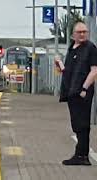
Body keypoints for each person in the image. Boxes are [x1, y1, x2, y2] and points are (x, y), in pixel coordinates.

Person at [57, 21, 97, 166]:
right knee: (76, 124)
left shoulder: (90, 48)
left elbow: (94, 70)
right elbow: (68, 71)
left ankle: (82, 155)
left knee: (82, 124)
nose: (82, 34)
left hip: (82, 92)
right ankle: (80, 154)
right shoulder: (72, 48)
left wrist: (84, 89)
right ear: (73, 34)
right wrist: (60, 64)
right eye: (79, 32)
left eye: (84, 32)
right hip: (71, 91)